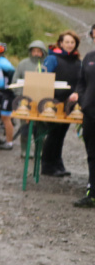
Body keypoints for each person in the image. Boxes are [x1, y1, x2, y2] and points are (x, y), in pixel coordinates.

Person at [40, 30, 81, 177]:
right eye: (67, 42)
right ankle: (47, 165)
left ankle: (57, 163)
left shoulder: (78, 61)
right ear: (61, 43)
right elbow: (44, 79)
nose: (70, 45)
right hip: (53, 102)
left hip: (70, 104)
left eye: (72, 42)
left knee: (61, 134)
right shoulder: (52, 59)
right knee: (53, 133)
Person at [67, 24, 95, 207]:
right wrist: (83, 100)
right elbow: (81, 82)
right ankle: (92, 194)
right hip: (89, 114)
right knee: (92, 154)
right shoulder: (89, 57)